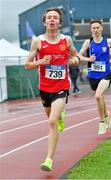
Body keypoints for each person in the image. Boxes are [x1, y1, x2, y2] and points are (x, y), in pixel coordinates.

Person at [25, 7, 95, 172]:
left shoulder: (67, 40)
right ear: (44, 22)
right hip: (44, 88)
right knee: (53, 119)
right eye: (49, 17)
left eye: (55, 18)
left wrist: (76, 60)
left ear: (59, 22)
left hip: (61, 86)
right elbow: (27, 65)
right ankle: (61, 116)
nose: (52, 20)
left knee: (51, 122)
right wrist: (40, 62)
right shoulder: (38, 41)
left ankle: (49, 159)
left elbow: (75, 55)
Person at [79, 19, 111, 135]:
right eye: (94, 28)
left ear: (102, 28)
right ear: (91, 29)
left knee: (98, 96)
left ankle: (102, 121)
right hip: (93, 75)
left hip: (106, 74)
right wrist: (88, 59)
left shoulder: (108, 42)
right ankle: (107, 115)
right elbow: (79, 55)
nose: (96, 30)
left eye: (98, 27)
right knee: (100, 96)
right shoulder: (88, 42)